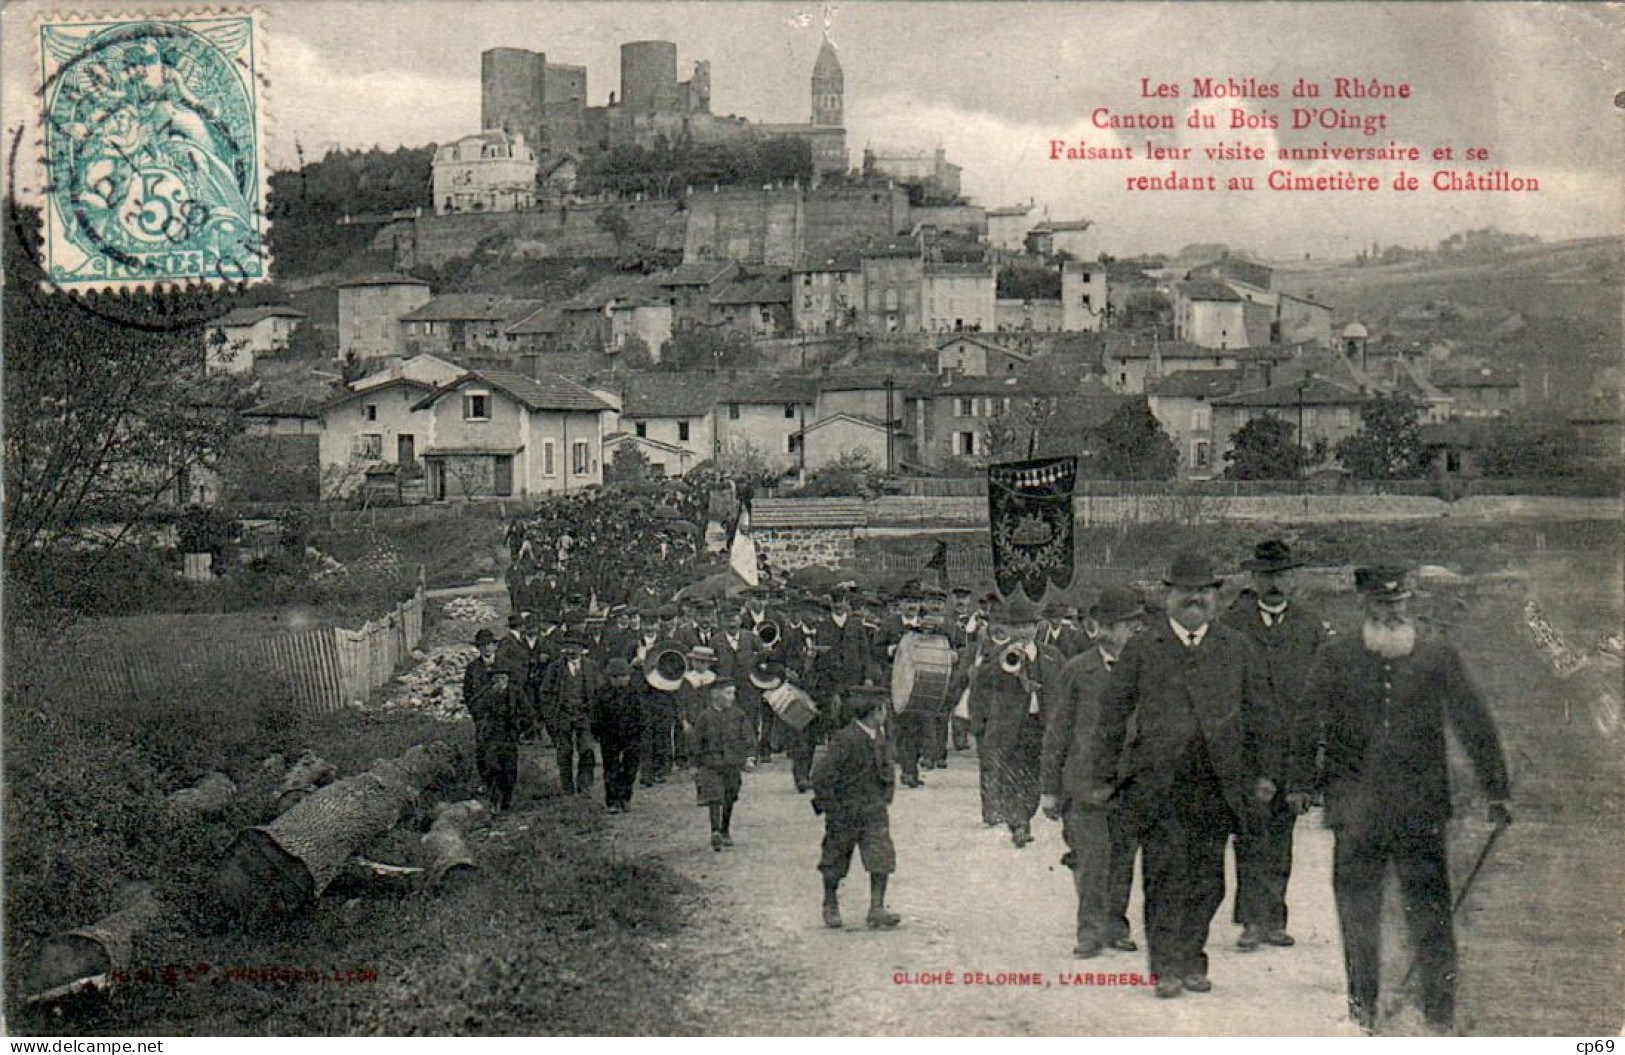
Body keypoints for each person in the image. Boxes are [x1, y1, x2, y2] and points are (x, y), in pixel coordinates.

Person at [1305, 564, 1511, 1035]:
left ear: (1410, 602)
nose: (1392, 611)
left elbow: (1473, 722)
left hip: (1420, 813)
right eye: (1382, 604)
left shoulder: (1438, 655)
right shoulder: (1336, 656)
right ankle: (1362, 1015)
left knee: (1432, 918)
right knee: (1357, 919)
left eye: (1399, 603)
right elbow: (1305, 721)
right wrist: (1299, 782)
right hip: (1356, 814)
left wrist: (1496, 790)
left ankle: (1440, 1018)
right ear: (1366, 605)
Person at [1092, 551, 1278, 1000]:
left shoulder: (1237, 647)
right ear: (1168, 595)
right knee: (1163, 875)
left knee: (1208, 880)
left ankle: (1193, 958)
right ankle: (1166, 967)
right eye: (1185, 591)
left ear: (1216, 597)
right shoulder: (1143, 648)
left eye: (1204, 592)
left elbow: (1263, 714)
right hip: (1159, 784)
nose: (1195, 599)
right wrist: (1102, 775)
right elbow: (1113, 716)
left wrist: (1267, 772)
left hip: (1218, 784)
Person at [1220, 538, 1328, 952]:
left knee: (1282, 834)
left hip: (1292, 750)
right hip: (1248, 750)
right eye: (1267, 576)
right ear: (1253, 578)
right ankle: (1250, 920)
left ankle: (1275, 917)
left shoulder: (1310, 626)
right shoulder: (1233, 624)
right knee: (1250, 832)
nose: (1275, 584)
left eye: (1282, 575)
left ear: (1294, 578)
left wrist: (1316, 751)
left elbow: (1321, 694)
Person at [1042, 586, 1147, 957]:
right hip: (1085, 783)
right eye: (1128, 625)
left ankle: (1115, 926)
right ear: (1105, 628)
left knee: (1122, 858)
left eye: (1139, 624)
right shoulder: (1078, 670)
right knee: (1092, 859)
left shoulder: (1147, 668)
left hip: (1130, 782)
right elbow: (1057, 730)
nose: (1136, 631)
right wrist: (1050, 789)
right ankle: (1089, 931)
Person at [968, 591, 1066, 849]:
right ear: (1008, 628)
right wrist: (1003, 661)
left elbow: (1064, 688)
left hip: (1042, 725)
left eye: (1028, 626)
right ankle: (1019, 823)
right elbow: (981, 680)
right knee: (1013, 774)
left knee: (1034, 776)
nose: (1023, 632)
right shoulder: (998, 653)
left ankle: (1025, 815)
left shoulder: (1052, 655)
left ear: (1037, 627)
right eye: (1017, 626)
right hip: (1012, 726)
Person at [810, 685, 901, 930]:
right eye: (883, 710)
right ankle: (830, 904)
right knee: (834, 859)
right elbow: (821, 776)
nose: (886, 714)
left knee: (881, 857)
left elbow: (887, 767)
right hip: (845, 811)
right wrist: (832, 808)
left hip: (873, 811)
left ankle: (877, 908)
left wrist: (885, 796)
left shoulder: (879, 735)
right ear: (873, 712)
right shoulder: (845, 739)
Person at [691, 679, 755, 851]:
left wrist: (749, 757)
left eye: (733, 693)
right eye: (728, 693)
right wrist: (695, 765)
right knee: (714, 797)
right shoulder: (705, 717)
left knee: (730, 795)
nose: (731, 697)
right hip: (711, 763)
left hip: (732, 763)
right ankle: (715, 832)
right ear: (715, 694)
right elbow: (696, 742)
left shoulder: (738, 715)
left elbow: (748, 737)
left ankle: (725, 829)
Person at [537, 634, 602, 795]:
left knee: (587, 749)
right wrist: (551, 715)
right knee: (564, 752)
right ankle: (567, 787)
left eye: (575, 646)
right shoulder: (555, 668)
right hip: (563, 715)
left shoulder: (591, 667)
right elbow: (545, 693)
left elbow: (600, 690)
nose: (571, 650)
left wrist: (596, 712)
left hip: (584, 715)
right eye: (568, 647)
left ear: (582, 649)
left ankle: (584, 785)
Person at [464, 628, 519, 811]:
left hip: (506, 722)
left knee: (508, 762)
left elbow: (517, 693)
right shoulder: (473, 668)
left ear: (495, 646)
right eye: (482, 646)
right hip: (486, 722)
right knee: (487, 761)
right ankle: (493, 795)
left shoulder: (506, 665)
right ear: (478, 649)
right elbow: (468, 694)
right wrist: (478, 715)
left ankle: (506, 798)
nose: (486, 649)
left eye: (489, 645)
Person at [591, 657, 648, 813]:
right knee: (611, 768)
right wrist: (598, 733)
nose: (623, 679)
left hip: (632, 736)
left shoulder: (635, 692)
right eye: (618, 677)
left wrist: (639, 733)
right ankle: (613, 801)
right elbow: (596, 716)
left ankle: (625, 798)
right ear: (611, 678)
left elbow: (642, 715)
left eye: (626, 676)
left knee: (630, 768)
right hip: (610, 736)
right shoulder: (602, 693)